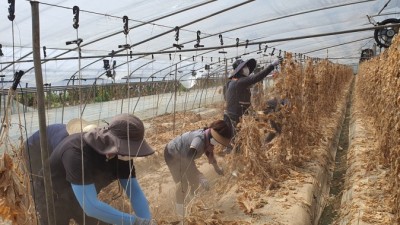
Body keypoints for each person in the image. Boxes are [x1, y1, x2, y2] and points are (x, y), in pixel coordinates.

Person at [33, 114, 156, 225]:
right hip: (52, 197)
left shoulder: (122, 155)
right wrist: (135, 222)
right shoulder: (76, 152)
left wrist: (147, 221)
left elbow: (134, 193)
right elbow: (90, 206)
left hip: (84, 196)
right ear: (114, 141)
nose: (131, 155)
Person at [164, 120, 232, 216]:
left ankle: (192, 200)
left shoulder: (208, 138)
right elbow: (188, 159)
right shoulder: (199, 140)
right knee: (182, 184)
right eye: (218, 142)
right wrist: (200, 176)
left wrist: (217, 168)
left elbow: (210, 154)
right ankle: (180, 212)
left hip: (184, 156)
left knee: (194, 181)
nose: (217, 144)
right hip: (172, 154)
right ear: (214, 137)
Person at [223, 57, 282, 149]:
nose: (247, 69)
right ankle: (233, 157)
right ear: (240, 70)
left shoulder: (232, 82)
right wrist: (271, 66)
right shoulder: (239, 82)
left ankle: (268, 137)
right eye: (245, 67)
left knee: (267, 115)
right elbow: (256, 78)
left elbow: (227, 97)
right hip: (236, 118)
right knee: (236, 143)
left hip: (240, 114)